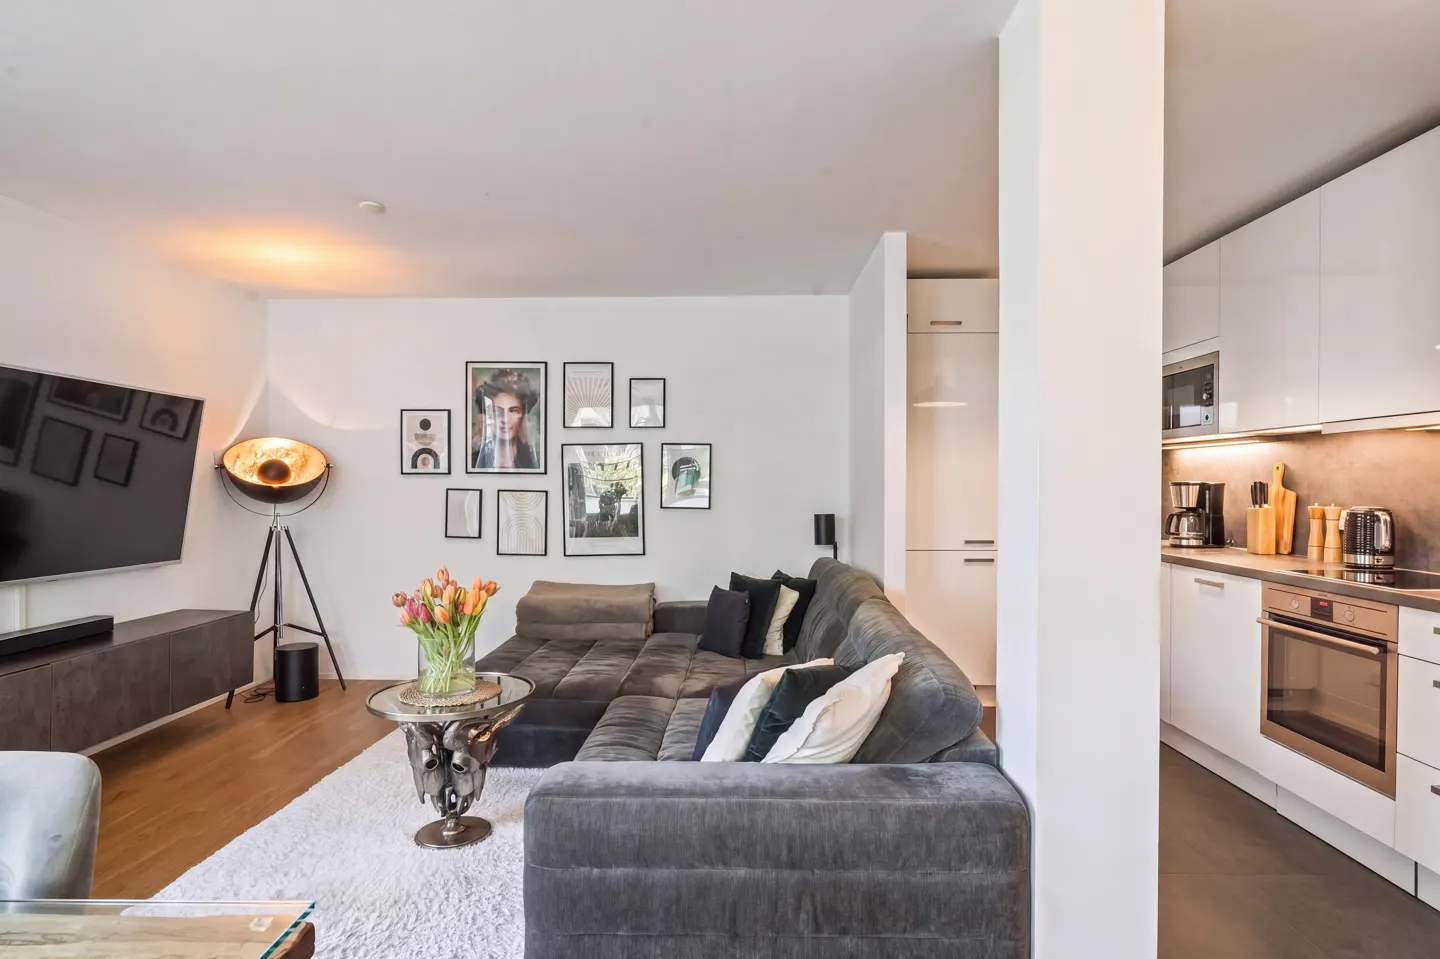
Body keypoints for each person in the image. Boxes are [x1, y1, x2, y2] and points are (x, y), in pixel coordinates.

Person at [473, 368, 541, 470]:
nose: (505, 419)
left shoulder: (537, 463)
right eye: (498, 411)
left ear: (523, 414)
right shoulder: (473, 462)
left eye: (513, 411)